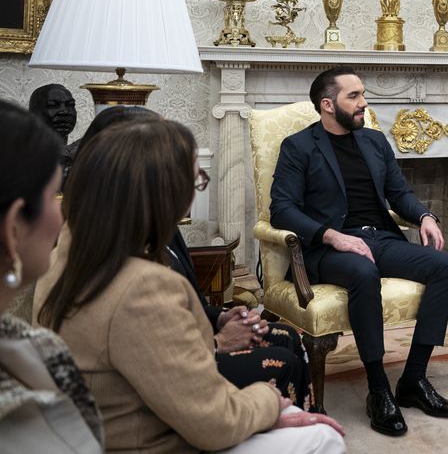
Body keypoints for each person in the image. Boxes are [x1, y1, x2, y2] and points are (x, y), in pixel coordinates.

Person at [35, 118, 345, 454]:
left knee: (285, 345)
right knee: (324, 438)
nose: (195, 191)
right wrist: (271, 402)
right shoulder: (143, 286)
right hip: (142, 440)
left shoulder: (72, 244)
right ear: (163, 192)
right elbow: (214, 422)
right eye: (196, 179)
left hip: (95, 426)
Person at [64, 106, 313, 408]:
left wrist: (221, 316)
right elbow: (151, 359)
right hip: (169, 377)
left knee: (287, 336)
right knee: (282, 362)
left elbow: (187, 303)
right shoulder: (115, 255)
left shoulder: (159, 223)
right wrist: (220, 342)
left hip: (189, 342)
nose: (191, 192)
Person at [271, 66, 448, 436]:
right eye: (354, 96)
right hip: (331, 248)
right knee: (362, 271)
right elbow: (282, 208)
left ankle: (414, 380)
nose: (364, 103)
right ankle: (378, 389)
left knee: (445, 266)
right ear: (328, 105)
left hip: (380, 239)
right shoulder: (297, 147)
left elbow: (398, 193)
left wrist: (423, 215)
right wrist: (331, 236)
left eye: (363, 94)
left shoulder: (374, 142)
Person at [0, 101, 103, 453]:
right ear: (15, 226)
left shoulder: (33, 345)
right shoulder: (19, 411)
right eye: (52, 197)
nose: (61, 218)